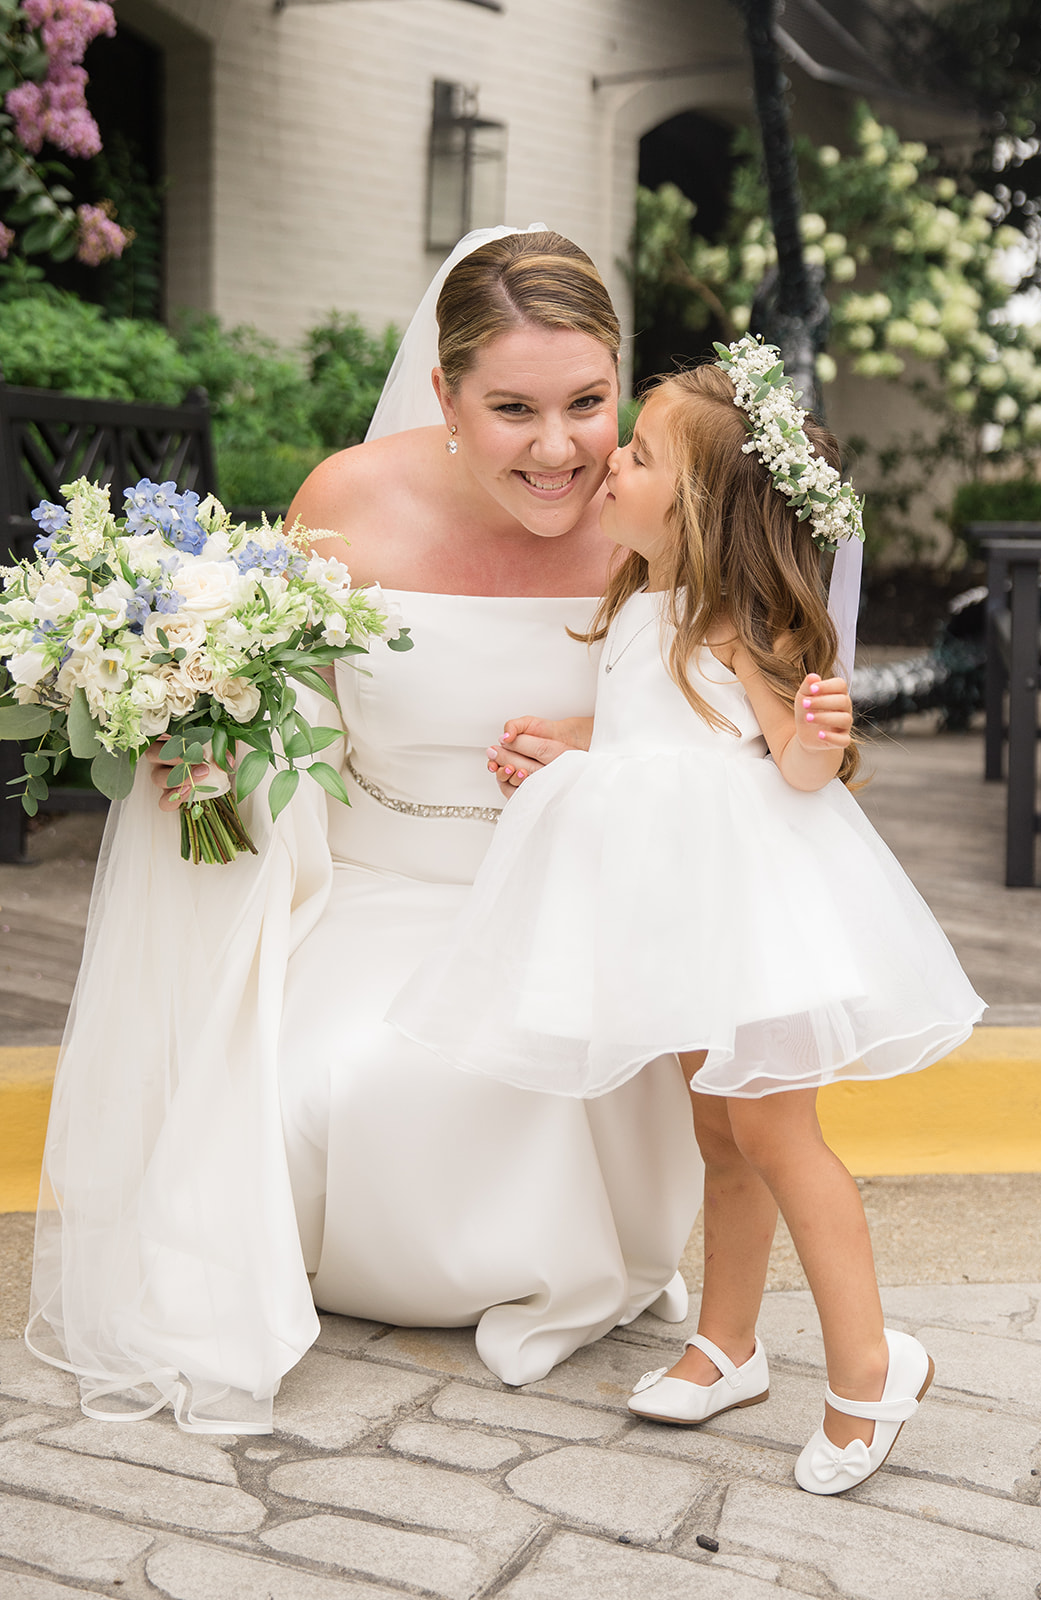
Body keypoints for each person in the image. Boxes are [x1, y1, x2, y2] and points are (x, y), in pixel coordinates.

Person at [25, 226, 703, 1435]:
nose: (559, 451)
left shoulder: (663, 517)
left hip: (577, 907)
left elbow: (729, 727)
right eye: (511, 410)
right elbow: (288, 708)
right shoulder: (349, 501)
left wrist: (618, 754)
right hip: (379, 889)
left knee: (493, 1072)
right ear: (443, 395)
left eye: (587, 404)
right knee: (322, 1096)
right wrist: (205, 744)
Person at [391, 340, 985, 1495]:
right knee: (715, 1139)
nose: (613, 458)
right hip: (672, 920)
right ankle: (727, 1344)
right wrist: (562, 749)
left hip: (752, 919)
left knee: (774, 1138)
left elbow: (804, 768)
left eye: (644, 453)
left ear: (703, 504)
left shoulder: (735, 624)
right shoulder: (641, 606)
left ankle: (870, 1368)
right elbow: (646, 740)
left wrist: (814, 728)